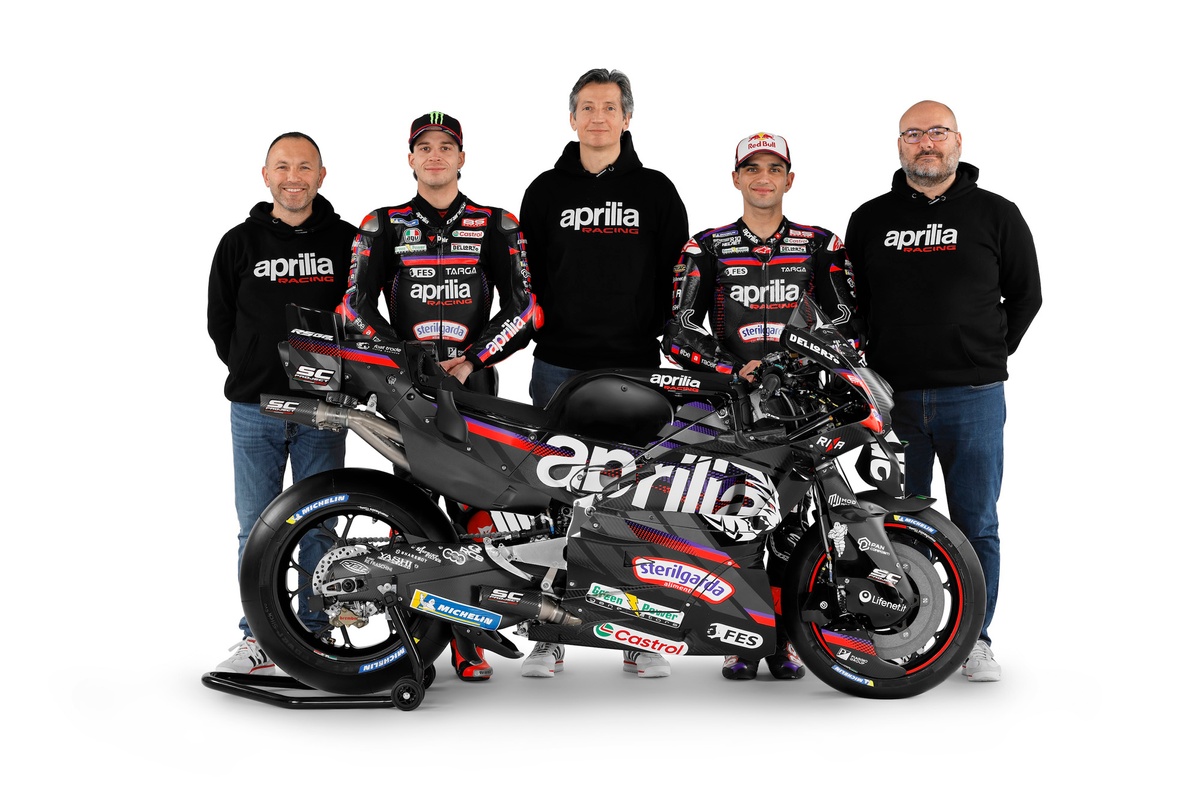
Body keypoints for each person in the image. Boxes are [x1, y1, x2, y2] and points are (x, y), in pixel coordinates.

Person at [339, 111, 540, 682]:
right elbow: (353, 307)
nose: (434, 155)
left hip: (473, 389)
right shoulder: (381, 224)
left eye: (445, 147)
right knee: (410, 514)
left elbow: (526, 307)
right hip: (404, 389)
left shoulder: (497, 223)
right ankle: (410, 645)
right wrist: (400, 359)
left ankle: (470, 639)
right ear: (410, 158)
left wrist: (472, 357)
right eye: (423, 147)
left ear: (461, 157)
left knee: (475, 510)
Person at [845, 101, 1042, 682]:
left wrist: (985, 354)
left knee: (976, 522)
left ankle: (974, 638)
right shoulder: (869, 219)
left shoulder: (996, 214)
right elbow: (853, 304)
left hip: (973, 398)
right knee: (890, 522)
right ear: (899, 145)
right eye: (913, 134)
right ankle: (900, 631)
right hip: (892, 401)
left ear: (957, 140)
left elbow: (1026, 295)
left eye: (936, 132)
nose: (925, 143)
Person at [663, 132, 861, 681]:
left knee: (795, 526)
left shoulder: (821, 244)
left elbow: (850, 326)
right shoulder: (705, 246)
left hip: (804, 407)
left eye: (774, 168)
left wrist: (810, 364)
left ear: (789, 179)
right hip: (734, 406)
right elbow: (677, 333)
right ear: (736, 179)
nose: (763, 177)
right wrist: (733, 369)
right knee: (738, 520)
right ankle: (744, 637)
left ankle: (787, 641)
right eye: (752, 168)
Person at [517, 67, 689, 679]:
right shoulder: (543, 192)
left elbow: (677, 280)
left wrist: (656, 339)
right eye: (587, 107)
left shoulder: (657, 191)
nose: (598, 117)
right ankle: (550, 633)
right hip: (557, 365)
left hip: (635, 366)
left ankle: (639, 635)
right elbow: (527, 279)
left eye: (609, 107)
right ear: (572, 118)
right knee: (552, 500)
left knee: (634, 502)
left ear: (627, 117)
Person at [208, 132, 356, 674]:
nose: (294, 177)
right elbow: (220, 321)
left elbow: (361, 316)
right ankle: (260, 639)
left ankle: (315, 633)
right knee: (256, 528)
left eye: (304, 167)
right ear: (266, 175)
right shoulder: (238, 243)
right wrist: (251, 368)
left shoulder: (347, 240)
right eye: (283, 166)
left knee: (319, 525)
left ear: (321, 175)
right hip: (255, 409)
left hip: (323, 410)